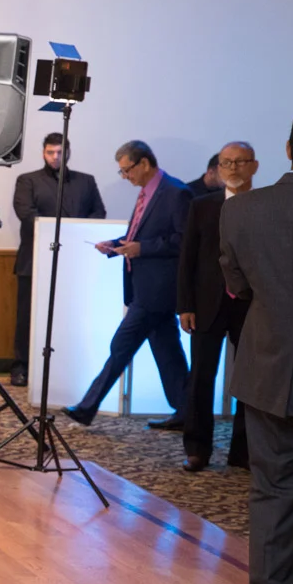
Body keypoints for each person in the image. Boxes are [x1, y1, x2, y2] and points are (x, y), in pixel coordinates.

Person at [219, 109, 293, 584]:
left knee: (274, 491)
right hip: (276, 369)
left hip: (273, 369)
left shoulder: (242, 211)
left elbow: (239, 288)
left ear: (288, 149)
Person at [64, 141, 191, 428]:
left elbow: (184, 240)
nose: (125, 177)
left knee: (121, 345)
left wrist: (142, 249)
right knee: (168, 353)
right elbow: (140, 235)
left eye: (127, 170)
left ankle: (87, 407)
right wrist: (114, 245)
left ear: (144, 163)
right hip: (145, 288)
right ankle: (187, 412)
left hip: (157, 290)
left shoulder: (176, 192)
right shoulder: (148, 192)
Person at [177, 141, 257, 473]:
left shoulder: (264, 205)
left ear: (254, 166)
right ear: (218, 168)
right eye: (226, 163)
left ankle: (243, 451)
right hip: (205, 304)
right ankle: (197, 449)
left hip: (251, 305)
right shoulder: (202, 206)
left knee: (250, 380)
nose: (233, 168)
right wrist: (185, 306)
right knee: (201, 377)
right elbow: (187, 258)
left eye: (240, 162)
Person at [10, 133, 107, 386]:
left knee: (70, 314)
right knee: (27, 315)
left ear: (68, 153)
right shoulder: (28, 181)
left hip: (75, 262)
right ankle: (22, 365)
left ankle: (67, 365)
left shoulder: (86, 182)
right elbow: (26, 215)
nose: (55, 157)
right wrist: (66, 230)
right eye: (50, 152)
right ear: (43, 153)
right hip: (34, 260)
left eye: (60, 152)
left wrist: (74, 234)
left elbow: (98, 213)